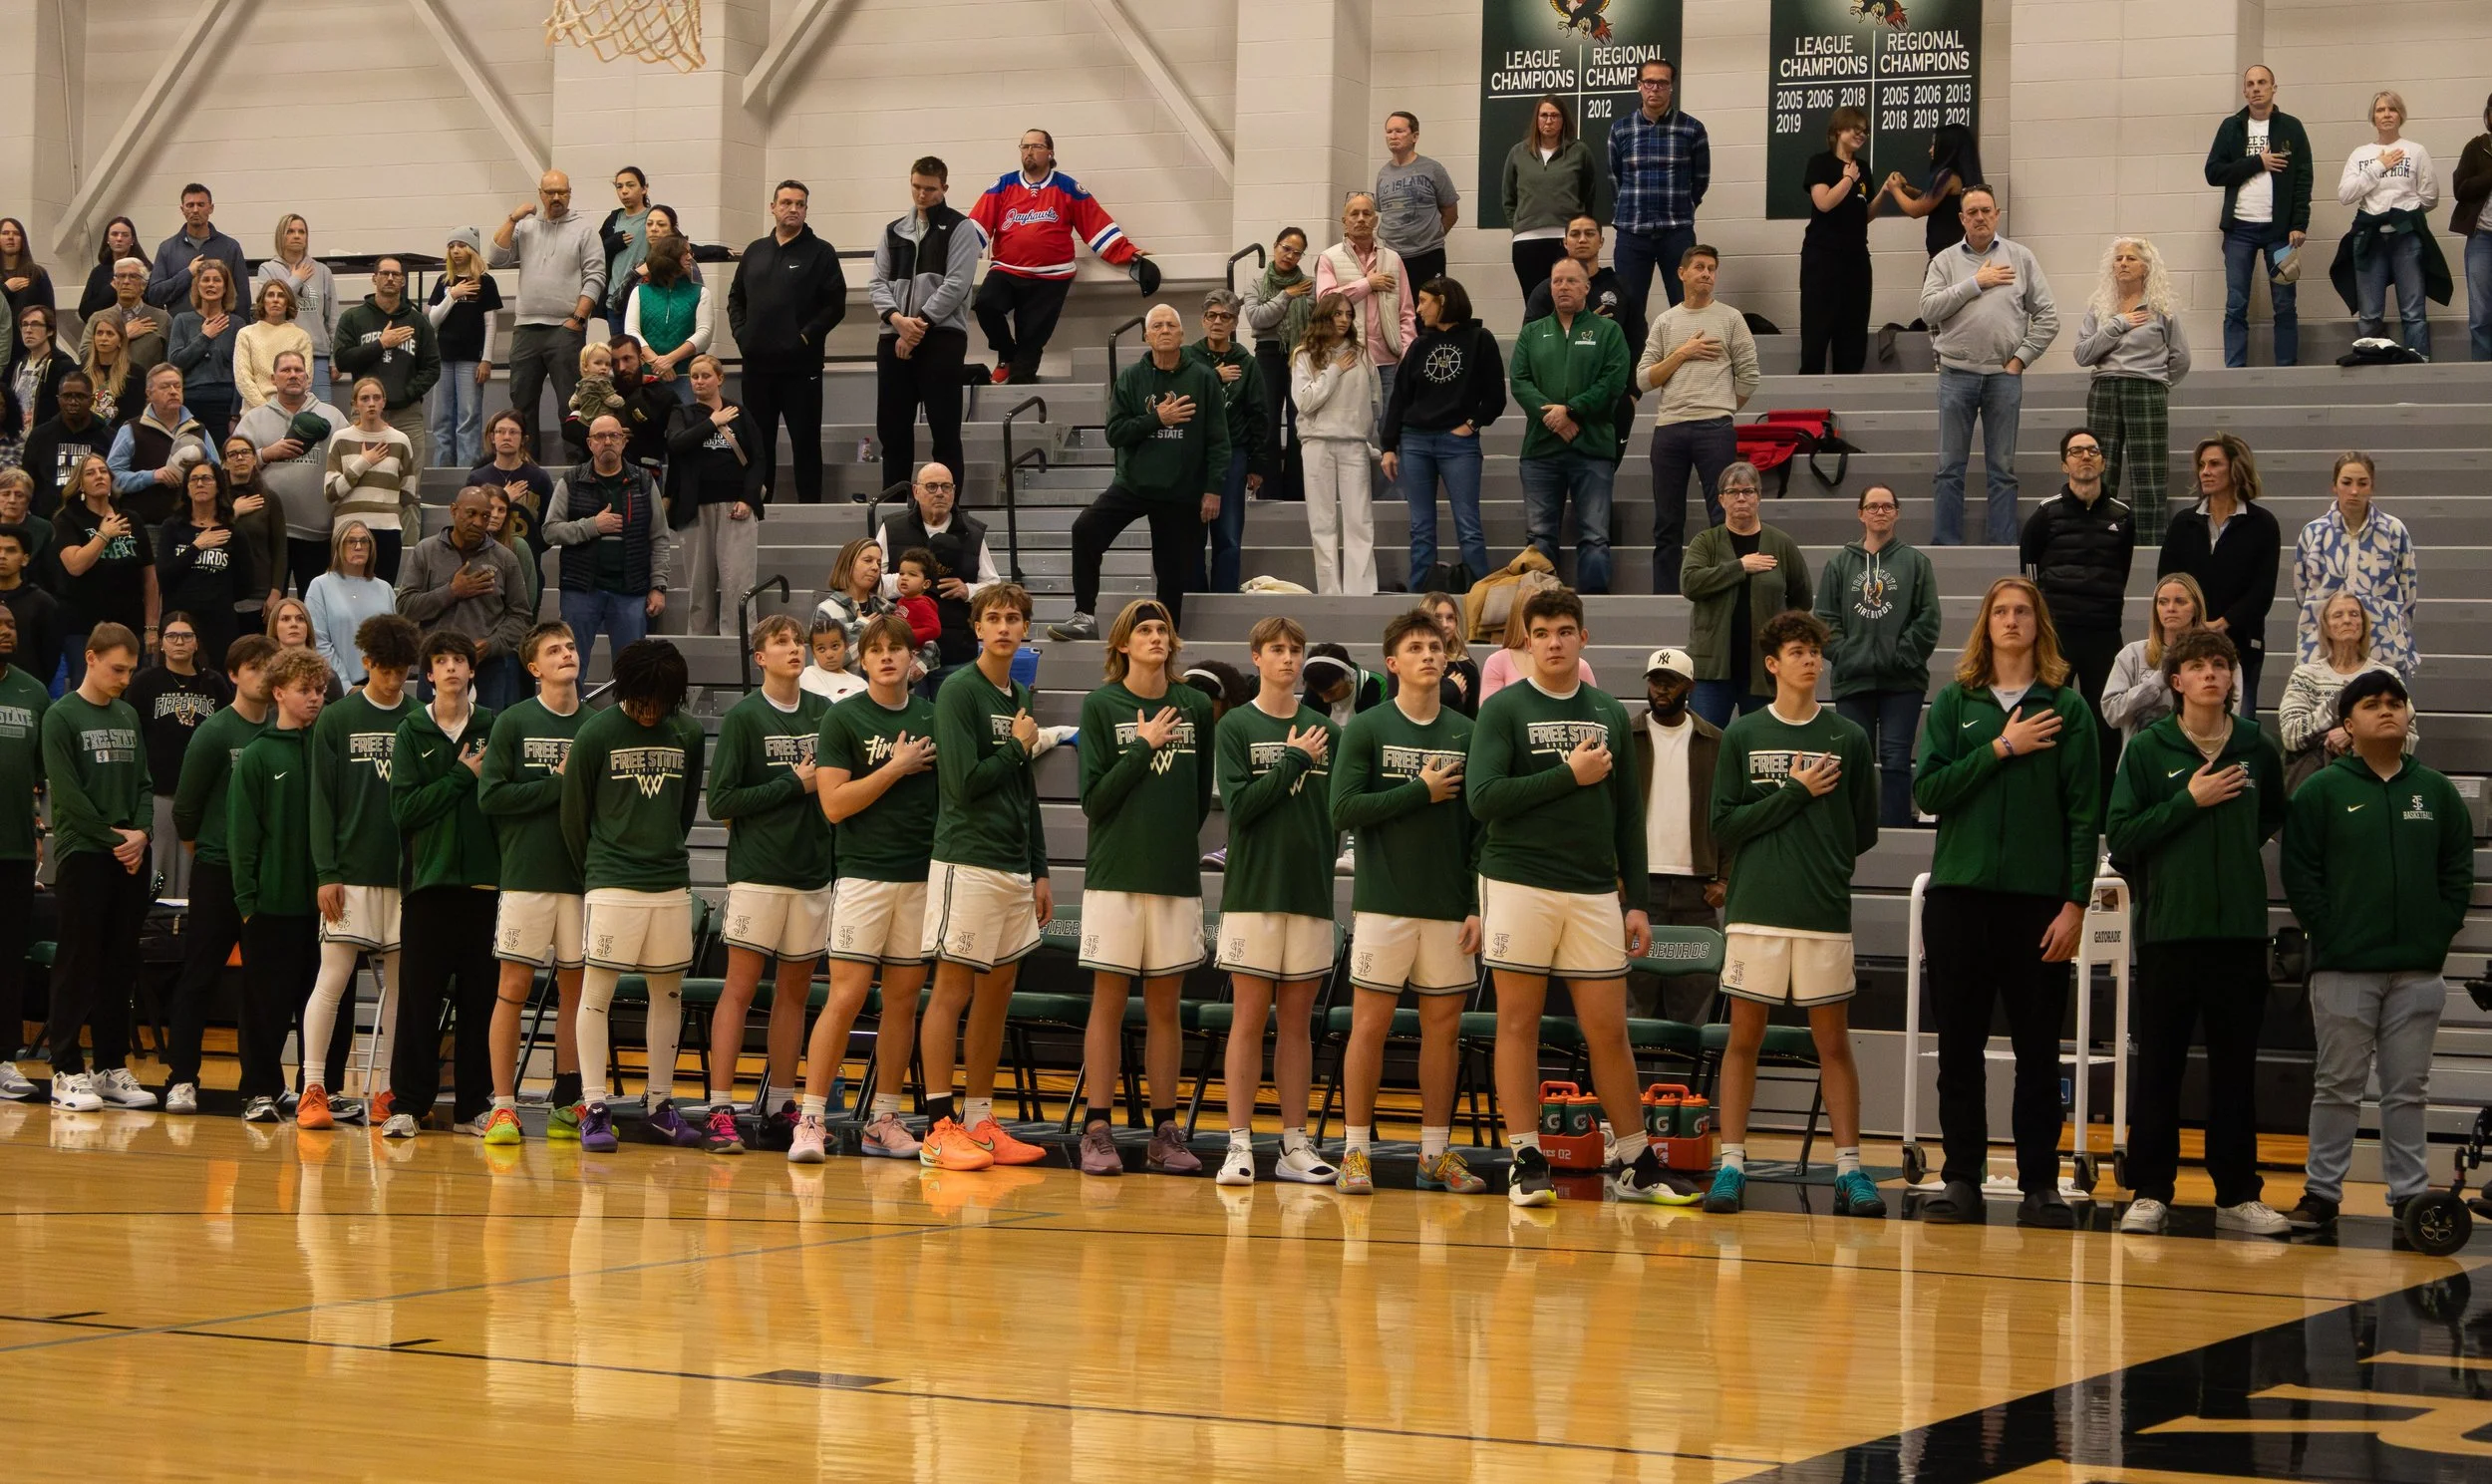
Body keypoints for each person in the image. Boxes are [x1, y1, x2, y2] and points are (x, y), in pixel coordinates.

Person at [1470, 585, 1692, 1207]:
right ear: (1525, 643)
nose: (1553, 643)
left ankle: (1634, 1160)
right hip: (1517, 881)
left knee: (1609, 1029)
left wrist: (1639, 900)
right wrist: (1566, 774)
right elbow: (1483, 798)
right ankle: (1526, 1158)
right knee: (1518, 1023)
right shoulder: (1504, 710)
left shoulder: (1609, 713)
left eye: (1564, 631)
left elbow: (1628, 817)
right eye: (1541, 634)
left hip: (1594, 890)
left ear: (1583, 638)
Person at [1911, 577, 2100, 1227]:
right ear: (1985, 624)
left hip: (2038, 905)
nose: (2012, 620)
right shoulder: (1954, 702)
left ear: (2038, 623)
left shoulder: (2068, 709)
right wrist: (2000, 748)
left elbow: (2083, 815)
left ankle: (2040, 1182)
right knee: (1958, 1049)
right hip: (1958, 899)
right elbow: (1929, 790)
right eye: (2001, 611)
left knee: (2038, 1051)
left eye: (2023, 611)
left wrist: (2076, 903)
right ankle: (1960, 1175)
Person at [2105, 629, 2288, 1237]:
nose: (2211, 674)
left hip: (2238, 932)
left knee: (2236, 1069)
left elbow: (2266, 821)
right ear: (2175, 681)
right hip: (2167, 932)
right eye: (2198, 666)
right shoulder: (2150, 749)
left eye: (2220, 665)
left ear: (2233, 678)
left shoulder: (2258, 747)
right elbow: (2124, 838)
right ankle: (2151, 1191)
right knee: (2160, 1067)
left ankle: (2238, 1194)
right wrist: (2190, 800)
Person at [1703, 611, 1882, 1218]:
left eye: (1815, 652)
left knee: (1832, 1043)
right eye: (1797, 652)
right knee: (1743, 1040)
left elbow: (1862, 832)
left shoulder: (1849, 738)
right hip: (1755, 910)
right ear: (1772, 664)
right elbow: (1723, 825)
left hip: (1822, 910)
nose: (1810, 661)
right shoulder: (1743, 735)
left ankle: (1851, 1170)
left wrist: (1819, 857)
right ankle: (1731, 1164)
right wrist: (1794, 793)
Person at [2282, 670, 2472, 1231]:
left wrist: (2437, 931)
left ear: (2409, 715)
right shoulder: (2320, 790)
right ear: (2347, 723)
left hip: (2417, 969)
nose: (2387, 710)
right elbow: (2301, 873)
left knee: (2407, 1090)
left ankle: (2410, 1198)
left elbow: (2457, 871)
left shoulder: (2434, 791)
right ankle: (2321, 1194)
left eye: (2396, 702)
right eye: (2372, 703)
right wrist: (2332, 933)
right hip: (2343, 967)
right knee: (2337, 1085)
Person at [1329, 609, 1485, 1195]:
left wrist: (1476, 902)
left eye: (1436, 646)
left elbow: (1480, 829)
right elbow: (1342, 810)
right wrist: (1418, 790)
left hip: (1449, 906)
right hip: (1383, 904)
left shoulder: (1468, 734)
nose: (1428, 655)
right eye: (1415, 647)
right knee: (1368, 1027)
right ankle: (1355, 1152)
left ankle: (1434, 1155)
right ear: (1392, 663)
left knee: (1443, 1031)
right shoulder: (1367, 728)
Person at [1071, 599, 1215, 1176]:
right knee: (1108, 1003)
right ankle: (1098, 1127)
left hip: (1175, 876)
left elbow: (1200, 795)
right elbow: (1094, 801)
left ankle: (1165, 1130)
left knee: (1166, 1008)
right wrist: (1142, 746)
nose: (1156, 637)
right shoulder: (1103, 705)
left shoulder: (1196, 706)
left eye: (1162, 629)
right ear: (1122, 645)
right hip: (1116, 875)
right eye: (1143, 630)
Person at [912, 583, 1054, 1172]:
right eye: (993, 617)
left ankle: (981, 1119)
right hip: (967, 859)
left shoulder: (1017, 691)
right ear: (976, 627)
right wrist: (1020, 749)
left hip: (1013, 867)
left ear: (1025, 630)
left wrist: (1040, 868)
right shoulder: (958, 692)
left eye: (1013, 618)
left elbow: (1025, 792)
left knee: (997, 995)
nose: (1003, 626)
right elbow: (965, 782)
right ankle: (939, 1125)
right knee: (952, 990)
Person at [793, 611, 943, 1164]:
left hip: (921, 877)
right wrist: (896, 767)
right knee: (848, 996)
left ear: (912, 659)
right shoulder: (844, 718)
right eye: (875, 648)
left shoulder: (934, 714)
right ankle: (810, 1119)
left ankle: (885, 1117)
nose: (885, 656)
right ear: (861, 658)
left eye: (896, 649)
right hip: (862, 876)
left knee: (903, 1003)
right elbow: (833, 805)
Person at [1209, 617, 1341, 1188]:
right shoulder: (1236, 725)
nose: (1288, 659)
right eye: (1276, 650)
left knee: (1297, 1025)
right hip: (1253, 891)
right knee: (1247, 1019)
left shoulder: (1325, 728)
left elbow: (1332, 817)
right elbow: (1240, 809)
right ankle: (1238, 1143)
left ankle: (1294, 1144)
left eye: (1295, 650)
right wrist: (1292, 762)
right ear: (1256, 657)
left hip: (1309, 893)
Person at [562, 638, 708, 1152]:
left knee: (666, 992)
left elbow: (685, 811)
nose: (649, 711)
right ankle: (595, 1105)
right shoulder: (596, 732)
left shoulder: (688, 733)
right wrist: (602, 868)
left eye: (659, 702)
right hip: (611, 879)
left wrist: (661, 849)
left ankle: (661, 1103)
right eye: (642, 700)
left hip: (669, 880)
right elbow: (574, 816)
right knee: (596, 994)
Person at [699, 614, 832, 1154]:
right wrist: (790, 783)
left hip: (812, 873)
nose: (795, 648)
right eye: (782, 642)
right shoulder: (745, 719)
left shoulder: (826, 713)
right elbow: (722, 803)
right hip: (757, 874)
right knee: (740, 988)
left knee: (795, 994)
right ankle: (720, 1106)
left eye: (798, 641)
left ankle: (780, 1103)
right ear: (760, 658)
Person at [295, 613, 416, 1133]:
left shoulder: (420, 717)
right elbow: (320, 803)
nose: (393, 679)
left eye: (402, 671)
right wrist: (326, 871)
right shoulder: (337, 719)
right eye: (385, 670)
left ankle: (389, 1087)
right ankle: (313, 1086)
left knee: (400, 989)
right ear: (366, 663)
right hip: (350, 875)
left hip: (407, 878)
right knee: (332, 981)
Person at [1047, 307, 1227, 641]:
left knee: (1172, 573)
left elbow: (1218, 440)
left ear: (1182, 334)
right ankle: (1085, 616)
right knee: (1085, 529)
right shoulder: (1131, 378)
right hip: (1133, 484)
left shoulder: (1203, 378)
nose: (1165, 330)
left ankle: (1166, 636)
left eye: (1172, 324)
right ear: (1146, 336)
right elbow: (1115, 433)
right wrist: (1157, 419)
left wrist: (1213, 488)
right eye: (1157, 325)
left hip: (1181, 491)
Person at [475, 621, 590, 1143]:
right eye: (554, 650)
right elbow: (492, 798)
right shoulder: (514, 723)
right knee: (513, 990)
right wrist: (555, 783)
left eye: (570, 646)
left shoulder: (595, 727)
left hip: (583, 880)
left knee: (577, 994)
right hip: (526, 877)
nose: (566, 654)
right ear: (534, 667)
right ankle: (503, 1105)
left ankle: (569, 1102)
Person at [385, 629, 499, 1138]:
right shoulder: (411, 731)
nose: (452, 668)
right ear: (427, 674)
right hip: (427, 888)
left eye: (460, 660)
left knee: (482, 1000)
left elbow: (501, 803)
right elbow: (404, 811)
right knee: (417, 1000)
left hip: (484, 888)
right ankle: (409, 1104)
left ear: (472, 671)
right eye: (441, 661)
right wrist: (458, 777)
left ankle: (476, 1105)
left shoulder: (495, 726)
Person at [38, 623, 157, 1112]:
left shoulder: (129, 714)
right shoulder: (61, 716)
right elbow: (68, 796)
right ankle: (65, 1068)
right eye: (117, 669)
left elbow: (145, 785)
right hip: (85, 853)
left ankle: (110, 1066)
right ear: (89, 658)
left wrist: (143, 834)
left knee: (120, 963)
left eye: (130, 670)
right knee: (78, 961)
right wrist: (117, 840)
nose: (125, 679)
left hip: (128, 853)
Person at [163, 633, 275, 1112]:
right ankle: (182, 1078)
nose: (263, 676)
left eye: (271, 668)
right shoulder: (214, 731)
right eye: (253, 668)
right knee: (199, 976)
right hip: (216, 870)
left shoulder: (282, 730)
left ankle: (257, 1086)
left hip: (268, 877)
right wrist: (209, 848)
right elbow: (185, 808)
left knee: (261, 985)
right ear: (233, 674)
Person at [227, 644, 336, 1122]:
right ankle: (258, 1090)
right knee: (264, 1009)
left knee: (325, 1002)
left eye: (319, 690)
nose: (314, 698)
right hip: (271, 907)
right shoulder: (256, 756)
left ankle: (315, 1089)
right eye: (304, 690)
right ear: (277, 693)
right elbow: (242, 835)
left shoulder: (329, 748)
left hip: (327, 908)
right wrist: (248, 902)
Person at [1921, 187, 2058, 546]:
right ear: (1962, 219)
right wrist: (1974, 284)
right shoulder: (1945, 261)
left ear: (1996, 214)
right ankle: (1947, 547)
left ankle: (2002, 548)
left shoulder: (2021, 258)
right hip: (1956, 376)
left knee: (2003, 471)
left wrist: (2020, 359)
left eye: (1985, 210)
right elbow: (1928, 310)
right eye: (1972, 212)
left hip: (2003, 377)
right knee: (1949, 469)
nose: (1979, 217)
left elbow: (2048, 317)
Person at [970, 132, 1142, 385]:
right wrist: (951, 258)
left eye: (1036, 146)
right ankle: (1007, 353)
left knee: (1030, 348)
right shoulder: (1003, 186)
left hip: (1051, 279)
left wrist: (1128, 252)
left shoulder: (1067, 188)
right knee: (985, 305)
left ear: (1050, 152)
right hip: (1007, 270)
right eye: (1024, 146)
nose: (1029, 151)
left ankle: (1020, 393)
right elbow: (975, 228)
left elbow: (1095, 225)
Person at [1814, 482, 1940, 827]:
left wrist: (1900, 656)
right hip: (1853, 680)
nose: (1880, 512)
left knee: (1897, 759)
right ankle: (1858, 827)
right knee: (1856, 759)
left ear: (1897, 513)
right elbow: (1824, 621)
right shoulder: (1840, 564)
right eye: (1873, 506)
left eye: (1887, 506)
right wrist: (1849, 655)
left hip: (1903, 681)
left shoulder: (1916, 562)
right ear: (1861, 514)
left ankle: (1897, 826)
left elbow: (1928, 619)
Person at [1640, 245, 1757, 594]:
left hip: (1714, 429)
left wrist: (1721, 407)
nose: (1707, 274)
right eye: (1699, 267)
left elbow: (1749, 376)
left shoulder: (1731, 318)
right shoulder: (1665, 321)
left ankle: (1724, 591)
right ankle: (1665, 595)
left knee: (1722, 517)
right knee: (1667, 521)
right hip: (1669, 430)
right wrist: (1682, 353)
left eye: (1712, 268)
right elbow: (1644, 379)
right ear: (1682, 273)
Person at [2022, 427, 2133, 793]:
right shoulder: (2045, 515)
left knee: (2105, 721)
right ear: (2064, 464)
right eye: (2076, 451)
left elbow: (2122, 570)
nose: (2085, 456)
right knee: (2049, 718)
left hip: (2104, 633)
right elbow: (2030, 577)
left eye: (2092, 451)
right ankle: (2046, 796)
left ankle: (2102, 806)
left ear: (2103, 461)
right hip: (2057, 634)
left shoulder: (2123, 516)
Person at [1511, 259, 1631, 594]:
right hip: (1540, 451)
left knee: (1594, 535)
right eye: (1557, 281)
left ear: (1586, 287)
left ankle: (1593, 610)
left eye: (1571, 281)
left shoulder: (1609, 332)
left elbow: (1613, 383)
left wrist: (1573, 411)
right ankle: (1541, 611)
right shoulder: (1532, 333)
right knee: (1539, 538)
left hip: (1592, 449)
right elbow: (1519, 382)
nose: (1562, 287)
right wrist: (1554, 417)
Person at [1379, 277, 1502, 589]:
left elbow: (1495, 396)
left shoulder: (1480, 339)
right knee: (1421, 527)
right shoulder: (1420, 344)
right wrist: (1390, 446)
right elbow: (1400, 398)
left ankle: (1480, 599)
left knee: (1468, 524)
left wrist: (1471, 424)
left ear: (1442, 301)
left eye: (1423, 301)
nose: (1419, 309)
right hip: (1416, 441)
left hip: (1457, 442)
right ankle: (1418, 596)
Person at [727, 179, 845, 503]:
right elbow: (735, 298)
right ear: (773, 207)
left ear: (806, 209)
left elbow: (835, 306)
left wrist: (805, 337)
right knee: (758, 443)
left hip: (801, 369)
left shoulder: (820, 252)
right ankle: (758, 508)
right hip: (757, 368)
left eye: (800, 204)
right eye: (786, 203)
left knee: (805, 443)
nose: (793, 209)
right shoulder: (754, 252)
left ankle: (810, 510)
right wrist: (742, 335)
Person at [1627, 647, 1723, 1021]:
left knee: (1692, 1011)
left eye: (1670, 683)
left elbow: (1727, 814)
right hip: (1638, 886)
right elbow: (1608, 811)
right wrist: (1616, 872)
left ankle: (1687, 1082)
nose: (1661, 691)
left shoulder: (1716, 742)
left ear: (1689, 687)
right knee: (1633, 1009)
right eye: (1655, 682)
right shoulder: (1625, 736)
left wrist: (1726, 877)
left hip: (1696, 891)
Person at [2073, 238, 2191, 546]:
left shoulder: (2160, 310)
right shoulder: (2100, 309)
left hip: (2146, 389)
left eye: (2131, 259)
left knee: (2148, 476)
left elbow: (2180, 358)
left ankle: (2149, 545)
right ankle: (2099, 541)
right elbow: (2083, 354)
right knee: (2101, 470)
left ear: (2145, 268)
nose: (2123, 263)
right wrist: (2117, 325)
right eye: (2119, 258)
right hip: (2105, 388)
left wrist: (2155, 381)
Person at [2158, 433, 2281, 718]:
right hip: (2187, 644)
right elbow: (2167, 581)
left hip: (2242, 646)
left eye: (2214, 464)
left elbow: (2262, 590)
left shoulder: (2262, 524)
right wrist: (2193, 625)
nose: (2205, 472)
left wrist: (2223, 623)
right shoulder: (2184, 523)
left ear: (2236, 468)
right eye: (2202, 465)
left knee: (2240, 724)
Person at [871, 155, 978, 481]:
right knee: (892, 431)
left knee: (944, 432)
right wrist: (898, 322)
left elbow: (957, 284)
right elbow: (876, 283)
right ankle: (893, 509)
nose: (922, 194)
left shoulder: (961, 228)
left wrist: (915, 325)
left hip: (942, 338)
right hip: (894, 337)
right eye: (916, 186)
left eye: (930, 189)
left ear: (944, 188)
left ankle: (948, 512)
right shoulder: (893, 231)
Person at [1683, 462, 1809, 728]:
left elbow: (1802, 599)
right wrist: (1740, 566)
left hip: (1764, 669)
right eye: (1733, 492)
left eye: (1748, 491)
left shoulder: (1781, 543)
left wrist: (1782, 639)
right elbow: (1690, 583)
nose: (1741, 498)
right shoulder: (1706, 542)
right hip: (1711, 672)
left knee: (1762, 748)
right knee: (1705, 749)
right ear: (1721, 499)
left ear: (1759, 497)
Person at [490, 170, 604, 459]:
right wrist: (513, 218)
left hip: (565, 330)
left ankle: (576, 467)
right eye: (550, 192)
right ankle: (526, 466)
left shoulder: (585, 229)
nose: (556, 198)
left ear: (569, 193)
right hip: (526, 328)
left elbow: (595, 277)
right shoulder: (525, 227)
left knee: (572, 403)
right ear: (540, 194)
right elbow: (496, 257)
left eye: (561, 192)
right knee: (522, 402)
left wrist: (577, 320)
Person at [544, 414, 671, 668]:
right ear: (590, 444)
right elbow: (550, 531)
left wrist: (658, 585)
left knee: (632, 669)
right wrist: (592, 526)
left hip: (631, 590)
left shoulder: (644, 481)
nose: (608, 442)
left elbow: (659, 537)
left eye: (614, 436)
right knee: (571, 666)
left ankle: (629, 709)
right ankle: (571, 707)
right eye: (600, 437)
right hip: (581, 589)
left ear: (624, 442)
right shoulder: (571, 480)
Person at [2206, 65, 2313, 368]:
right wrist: (2257, 162)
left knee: (2284, 303)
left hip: (2279, 231)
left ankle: (2286, 369)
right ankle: (2235, 370)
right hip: (2239, 229)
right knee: (2236, 304)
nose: (2256, 88)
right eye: (2250, 84)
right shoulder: (2231, 127)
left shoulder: (2291, 127)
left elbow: (2304, 178)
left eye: (2262, 83)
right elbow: (2213, 173)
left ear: (2273, 88)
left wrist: (2298, 223)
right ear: (2244, 91)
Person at [395, 484, 531, 710]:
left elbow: (521, 617)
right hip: (436, 664)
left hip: (488, 668)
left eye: (485, 516)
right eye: (471, 514)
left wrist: (492, 644)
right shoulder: (425, 551)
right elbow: (406, 607)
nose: (478, 522)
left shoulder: (506, 559)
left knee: (486, 739)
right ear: (453, 510)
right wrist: (452, 591)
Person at [130, 616, 229, 898]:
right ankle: (157, 930)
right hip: (159, 790)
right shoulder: (144, 682)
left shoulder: (214, 682)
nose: (179, 642)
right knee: (158, 867)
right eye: (172, 636)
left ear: (196, 642)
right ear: (161, 642)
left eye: (186, 636)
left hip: (204, 796)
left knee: (195, 868)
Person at [2336, 90, 2441, 359]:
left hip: (2406, 238)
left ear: (2400, 114)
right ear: (2373, 116)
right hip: (2370, 238)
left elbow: (2429, 197)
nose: (2386, 115)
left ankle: (2418, 363)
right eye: (2381, 110)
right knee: (2370, 313)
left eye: (2392, 109)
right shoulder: (2361, 154)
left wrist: (2405, 212)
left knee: (2414, 311)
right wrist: (2377, 167)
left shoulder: (2416, 151)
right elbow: (2345, 195)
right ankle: (2371, 367)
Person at [2294, 450, 2416, 680]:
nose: (2354, 491)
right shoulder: (2313, 533)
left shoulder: (2393, 532)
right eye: (2346, 482)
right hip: (2321, 651)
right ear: (2334, 486)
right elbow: (2301, 592)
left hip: (2381, 648)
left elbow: (2408, 594)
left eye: (2362, 483)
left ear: (2372, 487)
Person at [2279, 592, 2415, 793]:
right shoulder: (2305, 675)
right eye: (2338, 615)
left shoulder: (2387, 675)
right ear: (2326, 627)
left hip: (2376, 783)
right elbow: (2291, 735)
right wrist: (2341, 706)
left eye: (2354, 614)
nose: (2347, 620)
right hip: (2318, 783)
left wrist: (2353, 734)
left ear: (2363, 623)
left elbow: (2408, 740)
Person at [233, 349, 344, 596]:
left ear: (308, 377)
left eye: (298, 370)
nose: (293, 375)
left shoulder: (333, 417)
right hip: (267, 534)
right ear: (273, 379)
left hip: (319, 534)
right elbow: (230, 466)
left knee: (314, 613)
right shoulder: (253, 419)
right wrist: (265, 454)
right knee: (268, 612)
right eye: (285, 370)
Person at [872, 462, 1000, 676]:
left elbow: (994, 586)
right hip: (904, 651)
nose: (940, 493)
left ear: (954, 492)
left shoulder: (973, 533)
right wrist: (907, 583)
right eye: (932, 486)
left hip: (956, 650)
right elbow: (872, 581)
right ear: (916, 491)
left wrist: (967, 590)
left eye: (946, 487)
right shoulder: (892, 527)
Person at [666, 355, 761, 637]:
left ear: (720, 378)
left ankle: (739, 650)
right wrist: (712, 422)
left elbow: (759, 460)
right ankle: (701, 653)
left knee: (738, 584)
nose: (699, 381)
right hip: (695, 509)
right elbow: (676, 444)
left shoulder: (741, 413)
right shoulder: (681, 414)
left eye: (705, 375)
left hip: (736, 506)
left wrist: (749, 499)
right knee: (699, 587)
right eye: (694, 376)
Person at [1609, 58, 1711, 323]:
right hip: (1632, 232)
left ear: (1671, 87)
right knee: (1627, 310)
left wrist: (1684, 207)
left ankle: (1687, 364)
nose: (1655, 88)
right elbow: (1614, 178)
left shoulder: (1692, 129)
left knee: (1687, 305)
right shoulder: (1620, 129)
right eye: (1649, 82)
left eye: (1662, 83)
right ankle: (1633, 366)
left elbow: (1700, 180)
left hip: (1676, 232)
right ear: (1639, 86)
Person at [1290, 293, 1379, 596]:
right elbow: (1304, 401)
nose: (1344, 319)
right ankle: (1330, 593)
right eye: (1338, 313)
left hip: (1354, 442)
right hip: (1316, 443)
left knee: (1360, 521)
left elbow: (1375, 399)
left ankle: (1361, 593)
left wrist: (1370, 437)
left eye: (1348, 314)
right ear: (1324, 316)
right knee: (1322, 522)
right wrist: (1334, 369)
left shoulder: (1362, 353)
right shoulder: (1305, 354)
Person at [331, 257, 439, 487]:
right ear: (374, 278)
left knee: (409, 490)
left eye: (396, 275)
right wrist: (380, 344)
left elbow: (432, 367)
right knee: (361, 483)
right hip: (363, 414)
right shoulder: (353, 318)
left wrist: (407, 393)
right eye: (385, 273)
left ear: (402, 281)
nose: (390, 278)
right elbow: (341, 361)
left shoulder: (417, 321)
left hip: (407, 415)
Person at [55, 452, 159, 686]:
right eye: (90, 473)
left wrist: (151, 626)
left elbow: (150, 578)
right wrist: (104, 535)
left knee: (126, 688)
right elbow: (75, 566)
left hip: (128, 624)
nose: (99, 476)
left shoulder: (131, 518)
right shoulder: (68, 519)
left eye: (103, 471)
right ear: (80, 484)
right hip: (83, 626)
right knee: (88, 688)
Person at [2101, 574, 2242, 747]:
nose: (2171, 608)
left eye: (2180, 601)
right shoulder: (2132, 655)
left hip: (2200, 757)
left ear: (2196, 608)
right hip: (2142, 760)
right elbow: (2112, 714)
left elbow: (2232, 717)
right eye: (2163, 602)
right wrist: (2155, 684)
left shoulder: (2219, 659)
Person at [1800, 107, 1887, 376]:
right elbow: (1823, 203)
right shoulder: (1821, 163)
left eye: (1864, 131)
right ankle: (1810, 393)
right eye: (1855, 129)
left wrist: (1884, 191)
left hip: (1856, 257)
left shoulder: (1864, 168)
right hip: (1823, 257)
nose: (1861, 135)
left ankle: (1848, 384)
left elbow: (1865, 215)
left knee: (1853, 327)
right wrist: (1848, 178)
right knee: (1818, 324)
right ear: (1839, 130)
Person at [1190, 290, 1267, 595]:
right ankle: (1194, 597)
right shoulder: (1189, 358)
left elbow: (1259, 415)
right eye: (1212, 315)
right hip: (1193, 455)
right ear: (1202, 320)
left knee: (1229, 535)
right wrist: (1213, 377)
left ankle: (1223, 598)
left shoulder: (1246, 363)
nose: (1217, 322)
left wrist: (1257, 463)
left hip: (1234, 454)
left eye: (1225, 316)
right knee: (1192, 536)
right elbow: (1180, 399)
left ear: (1235, 322)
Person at [1314, 192, 1415, 423]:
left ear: (1375, 220)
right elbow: (1326, 302)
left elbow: (1406, 312)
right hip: (1346, 356)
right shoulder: (1328, 258)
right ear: (1344, 221)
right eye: (1354, 214)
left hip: (1388, 359)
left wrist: (1407, 354)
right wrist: (1367, 284)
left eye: (1367, 213)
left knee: (1391, 429)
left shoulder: (1393, 259)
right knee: (1352, 427)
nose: (1361, 219)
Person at [1503, 96, 1603, 297]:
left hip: (1566, 241)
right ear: (1536, 119)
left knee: (1571, 300)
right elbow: (1508, 197)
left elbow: (1588, 193)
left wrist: (1577, 228)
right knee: (1536, 303)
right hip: (1527, 242)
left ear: (1563, 119)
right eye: (1544, 115)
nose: (1549, 121)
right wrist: (1519, 225)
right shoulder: (1518, 153)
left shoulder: (1579, 151)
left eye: (1554, 116)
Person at [156, 462, 252, 666]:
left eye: (207, 478)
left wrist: (217, 596)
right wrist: (196, 547)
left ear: (218, 486)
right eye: (194, 479)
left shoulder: (232, 532)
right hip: (179, 620)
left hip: (219, 622)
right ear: (187, 488)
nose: (200, 483)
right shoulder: (172, 528)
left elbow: (246, 584)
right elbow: (164, 575)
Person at [322, 378, 415, 581]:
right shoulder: (341, 438)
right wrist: (364, 462)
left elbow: (408, 490)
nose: (371, 403)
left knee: (382, 597)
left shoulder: (400, 440)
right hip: (348, 530)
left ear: (384, 402)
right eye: (364, 398)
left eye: (376, 397)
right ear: (355, 404)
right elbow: (331, 492)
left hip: (386, 530)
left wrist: (386, 511)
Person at [425, 228, 501, 470]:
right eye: (451, 246)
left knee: (468, 420)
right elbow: (433, 320)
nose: (456, 250)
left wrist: (486, 359)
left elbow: (491, 324)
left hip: (471, 360)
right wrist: (453, 295)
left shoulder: (485, 282)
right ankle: (442, 471)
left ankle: (468, 472)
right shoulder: (444, 282)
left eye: (461, 245)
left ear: (472, 250)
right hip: (444, 359)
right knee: (441, 420)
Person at [108, 364, 219, 527]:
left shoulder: (198, 430)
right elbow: (112, 478)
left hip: (193, 526)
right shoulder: (131, 429)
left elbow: (218, 475)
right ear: (149, 393)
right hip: (145, 526)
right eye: (165, 386)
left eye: (177, 386)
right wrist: (152, 476)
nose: (173, 391)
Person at [1242, 226, 1314, 482]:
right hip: (1268, 353)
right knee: (1268, 422)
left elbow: (1316, 324)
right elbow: (1258, 319)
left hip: (1302, 355)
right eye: (1286, 248)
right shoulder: (1256, 283)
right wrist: (1286, 295)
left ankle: (1297, 490)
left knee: (1300, 423)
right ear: (1275, 246)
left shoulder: (1310, 286)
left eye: (1297, 253)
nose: (1290, 256)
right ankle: (1267, 487)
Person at [0, 604, 36, 1098]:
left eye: (9, 623)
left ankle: (4, 1060)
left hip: (13, 849)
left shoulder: (31, 691)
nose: (5, 631)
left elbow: (42, 772)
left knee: (8, 961)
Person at [1376, 111, 1460, 290]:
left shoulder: (1432, 169)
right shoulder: (1383, 174)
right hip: (1392, 257)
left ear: (1415, 136)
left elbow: (1451, 212)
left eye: (1399, 131)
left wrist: (1433, 236)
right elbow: (1385, 213)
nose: (1393, 136)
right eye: (1389, 131)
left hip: (1428, 254)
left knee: (1428, 311)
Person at [305, 520, 395, 689]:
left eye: (364, 541)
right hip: (337, 687)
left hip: (381, 685)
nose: (359, 546)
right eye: (351, 541)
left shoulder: (385, 589)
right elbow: (319, 641)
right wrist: (345, 686)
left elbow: (394, 640)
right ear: (338, 546)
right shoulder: (320, 586)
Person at [255, 214, 339, 388]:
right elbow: (268, 306)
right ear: (281, 236)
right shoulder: (267, 269)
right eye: (291, 231)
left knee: (320, 414)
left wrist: (334, 359)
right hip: (279, 355)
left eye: (302, 232)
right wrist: (295, 280)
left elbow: (333, 319)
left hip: (317, 356)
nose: (297, 235)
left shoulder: (322, 271)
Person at [623, 234, 709, 403]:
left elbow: (704, 335)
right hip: (648, 376)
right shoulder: (640, 292)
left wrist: (670, 359)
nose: (690, 257)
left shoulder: (700, 292)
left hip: (686, 376)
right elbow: (631, 331)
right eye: (685, 252)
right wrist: (658, 363)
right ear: (670, 257)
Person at [166, 258, 241, 443]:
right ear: (197, 286)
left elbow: (241, 372)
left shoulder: (237, 324)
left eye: (217, 280)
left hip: (223, 404)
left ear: (225, 287)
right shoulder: (182, 320)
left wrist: (235, 414)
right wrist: (205, 337)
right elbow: (175, 362)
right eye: (205, 280)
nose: (211, 285)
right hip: (189, 403)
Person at [1885, 123, 1986, 258]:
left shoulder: (1947, 176)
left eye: (1934, 145)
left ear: (1947, 148)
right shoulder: (1962, 177)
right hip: (1958, 254)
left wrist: (1894, 189)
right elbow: (1930, 199)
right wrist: (1904, 188)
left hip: (1946, 257)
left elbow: (1916, 210)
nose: (1930, 150)